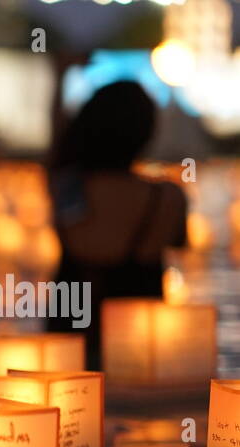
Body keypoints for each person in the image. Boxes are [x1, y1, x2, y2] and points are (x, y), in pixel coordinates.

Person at [45, 80, 188, 370]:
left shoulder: (70, 188)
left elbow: (57, 153)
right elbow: (181, 242)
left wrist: (61, 75)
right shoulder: (169, 197)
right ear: (147, 132)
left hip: (70, 347)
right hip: (142, 349)